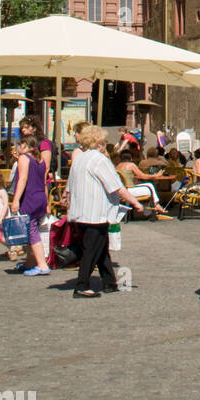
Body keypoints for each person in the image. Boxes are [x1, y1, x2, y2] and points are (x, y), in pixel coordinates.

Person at [66, 124, 146, 297]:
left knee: (101, 248)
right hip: (96, 211)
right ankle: (81, 286)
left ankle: (109, 282)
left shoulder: (79, 158)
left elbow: (69, 187)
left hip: (81, 210)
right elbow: (116, 186)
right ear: (99, 141)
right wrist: (135, 202)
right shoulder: (99, 160)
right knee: (92, 249)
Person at [7, 137, 51, 277]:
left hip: (30, 198)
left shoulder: (24, 159)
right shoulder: (40, 160)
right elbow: (43, 181)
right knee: (33, 229)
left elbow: (23, 179)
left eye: (19, 144)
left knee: (31, 231)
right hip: (40, 197)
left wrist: (15, 200)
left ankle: (42, 265)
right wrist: (48, 203)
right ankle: (30, 262)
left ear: (24, 145)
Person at [19, 115, 53, 181]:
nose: (23, 130)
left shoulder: (44, 143)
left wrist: (42, 182)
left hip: (39, 180)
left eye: (26, 127)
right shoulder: (24, 144)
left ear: (34, 128)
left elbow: (46, 166)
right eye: (22, 128)